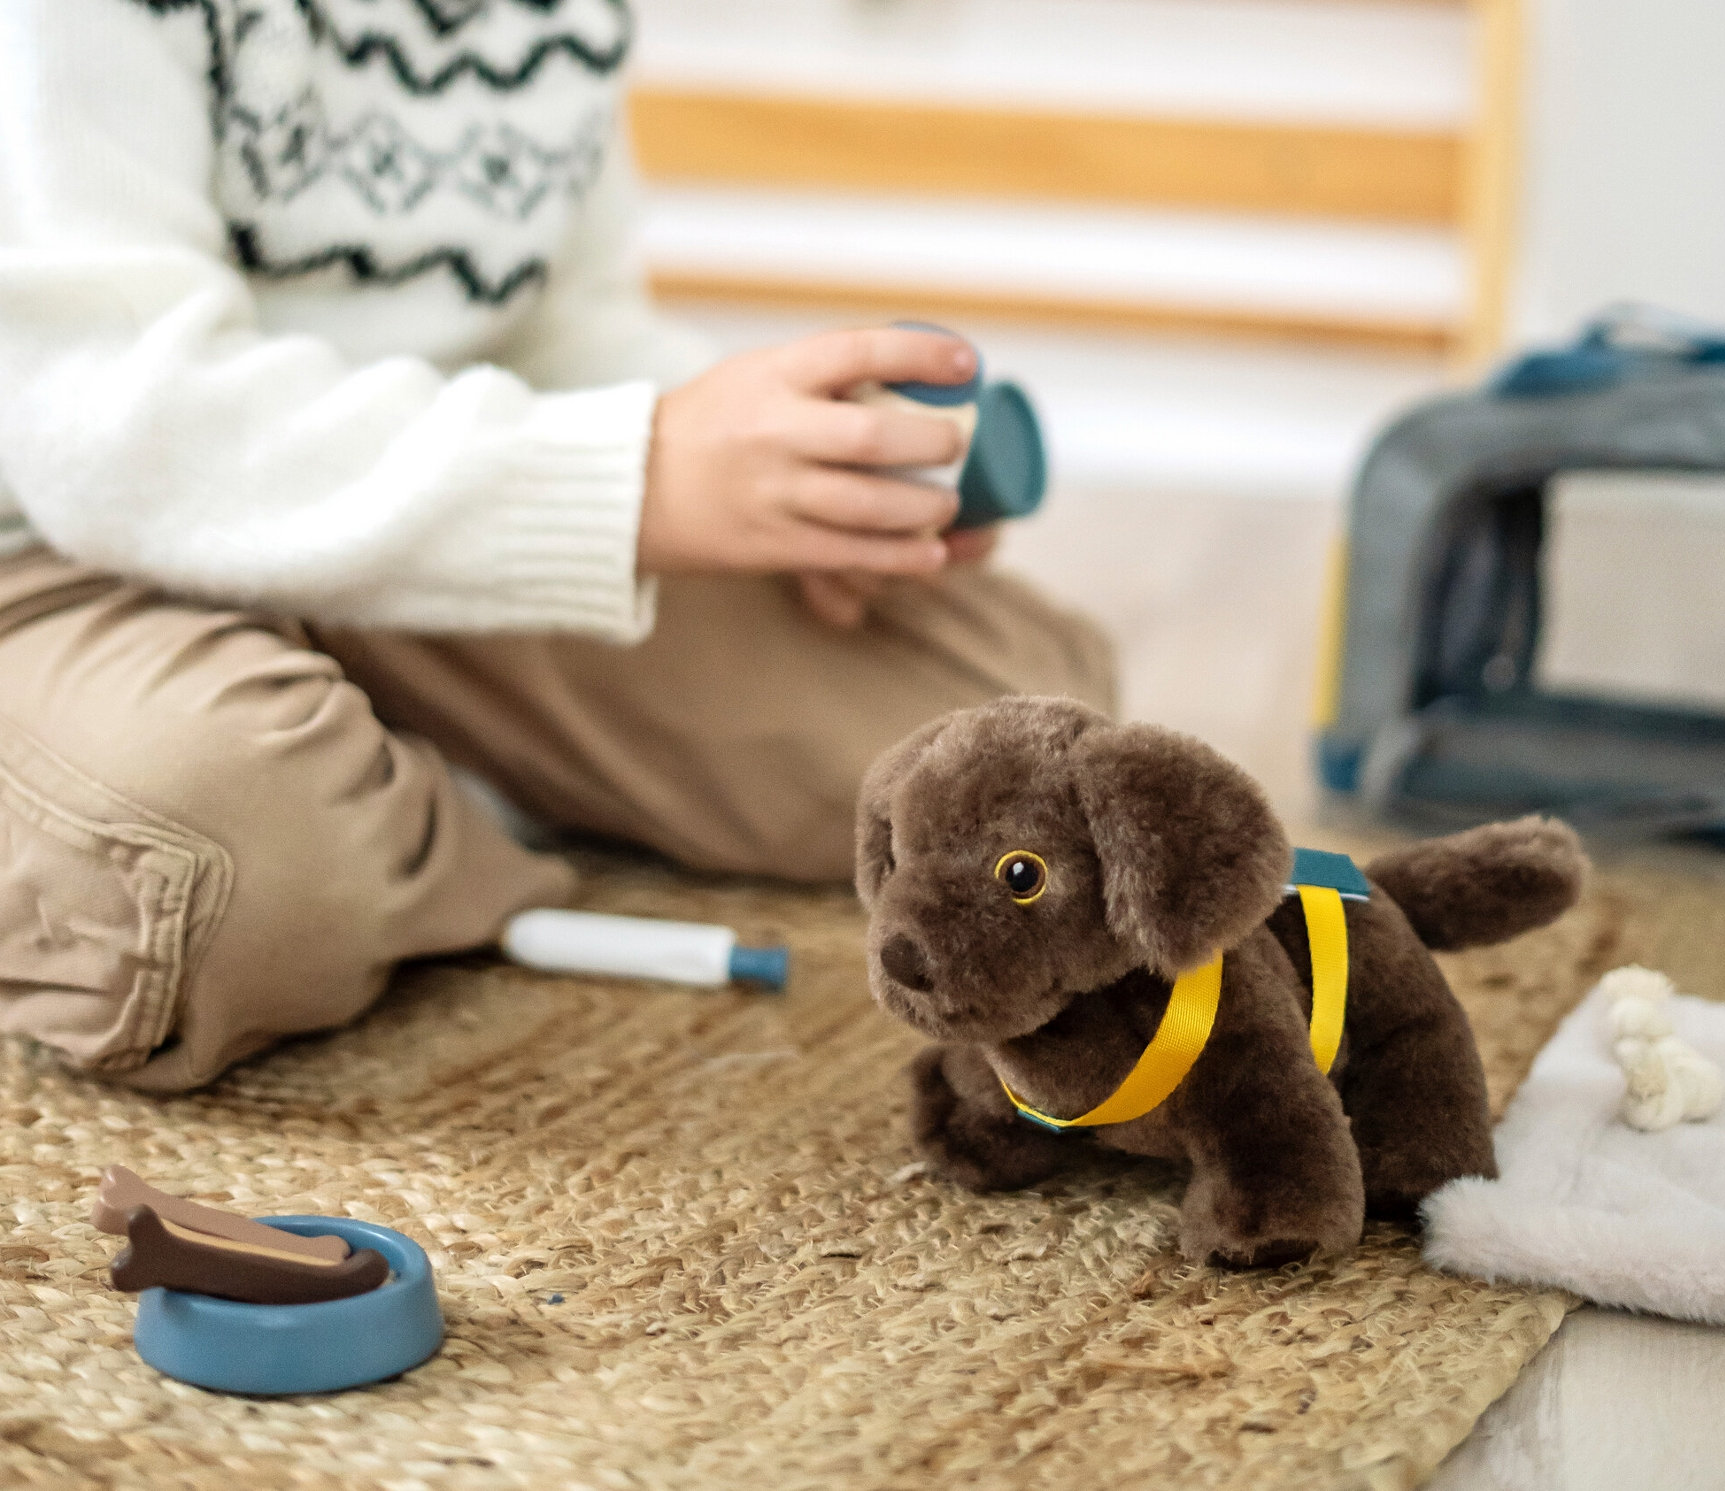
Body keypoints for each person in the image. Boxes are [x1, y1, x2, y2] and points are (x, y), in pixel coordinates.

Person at [0, 0, 1113, 1091]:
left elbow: (556, 329)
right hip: (63, 538)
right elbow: (111, 425)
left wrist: (780, 475)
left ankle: (386, 800)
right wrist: (641, 477)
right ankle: (367, 813)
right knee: (221, 881)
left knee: (1003, 734)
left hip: (423, 510)